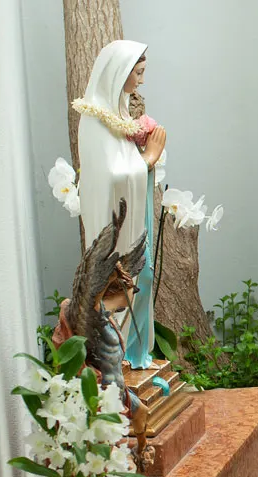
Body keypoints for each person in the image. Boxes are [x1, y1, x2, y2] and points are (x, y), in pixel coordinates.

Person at [73, 41, 166, 369]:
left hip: (131, 222)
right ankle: (115, 359)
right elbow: (111, 175)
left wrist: (144, 160)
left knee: (141, 279)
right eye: (138, 73)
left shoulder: (120, 116)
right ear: (120, 73)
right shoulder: (94, 120)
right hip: (113, 226)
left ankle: (135, 353)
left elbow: (123, 165)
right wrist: (148, 159)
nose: (141, 81)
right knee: (118, 285)